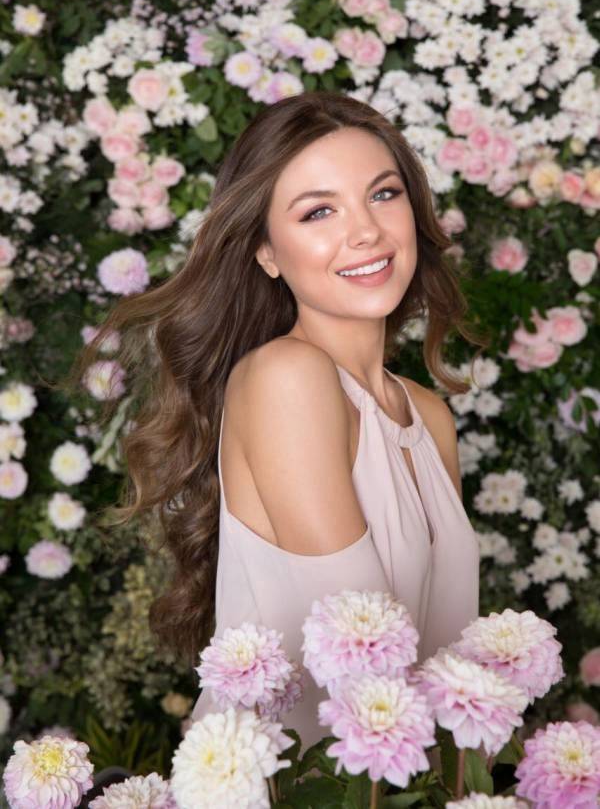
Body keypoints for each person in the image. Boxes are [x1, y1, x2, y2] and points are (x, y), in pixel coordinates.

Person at [69, 90, 488, 762]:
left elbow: (446, 659)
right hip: (297, 787)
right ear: (266, 251)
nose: (366, 232)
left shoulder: (429, 416)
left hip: (406, 784)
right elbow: (364, 656)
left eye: (383, 195)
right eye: (319, 210)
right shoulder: (285, 378)